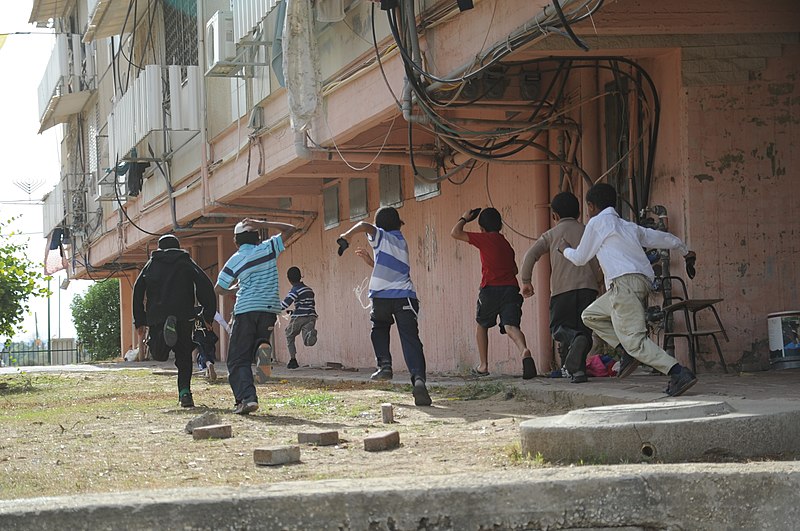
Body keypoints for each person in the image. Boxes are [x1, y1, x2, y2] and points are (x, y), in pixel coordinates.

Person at [559, 183, 698, 397]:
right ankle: (625, 351)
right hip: (636, 283)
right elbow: (659, 237)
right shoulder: (627, 226)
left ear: (591, 205)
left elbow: (580, 258)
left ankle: (678, 372)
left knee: (637, 342)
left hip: (623, 285)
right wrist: (684, 250)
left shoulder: (597, 223)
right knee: (591, 315)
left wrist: (565, 249)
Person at [339, 206, 432, 407]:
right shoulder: (401, 241)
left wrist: (346, 236)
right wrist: (371, 262)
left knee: (379, 327)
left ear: (380, 225)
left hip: (381, 297)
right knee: (411, 339)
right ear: (399, 224)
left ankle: (385, 365)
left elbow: (365, 226)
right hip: (405, 297)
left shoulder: (380, 236)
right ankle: (418, 380)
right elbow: (391, 268)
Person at [215, 218, 298, 415]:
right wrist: (262, 222)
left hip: (246, 310)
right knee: (254, 347)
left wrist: (235, 288)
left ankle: (247, 399)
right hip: (269, 309)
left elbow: (219, 288)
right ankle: (262, 345)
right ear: (257, 236)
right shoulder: (268, 248)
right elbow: (291, 228)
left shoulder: (236, 258)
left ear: (236, 241)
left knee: (237, 359)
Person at [519, 192, 603, 383]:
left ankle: (575, 341)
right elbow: (600, 260)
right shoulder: (588, 231)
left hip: (562, 291)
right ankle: (578, 371)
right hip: (588, 289)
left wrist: (526, 281)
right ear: (579, 212)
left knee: (559, 328)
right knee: (585, 329)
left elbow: (530, 255)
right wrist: (597, 281)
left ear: (554, 216)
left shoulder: (551, 235)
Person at [450, 207, 535, 380]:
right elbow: (515, 269)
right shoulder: (506, 244)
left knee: (482, 324)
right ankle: (524, 350)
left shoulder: (483, 239)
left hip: (490, 289)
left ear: (482, 228)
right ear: (501, 226)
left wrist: (464, 218)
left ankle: (483, 366)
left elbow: (455, 233)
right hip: (511, 289)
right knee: (511, 326)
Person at [132, 234, 216, 408]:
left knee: (159, 354)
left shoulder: (151, 264)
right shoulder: (185, 262)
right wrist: (207, 314)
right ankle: (184, 393)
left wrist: (139, 320)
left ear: (159, 248)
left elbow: (138, 290)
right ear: (177, 247)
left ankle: (165, 337)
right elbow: (205, 284)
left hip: (158, 316)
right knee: (184, 356)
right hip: (184, 314)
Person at [281, 266, 318, 369]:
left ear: (289, 279)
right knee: (307, 341)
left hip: (299, 317)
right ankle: (310, 333)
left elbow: (286, 303)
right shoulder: (309, 290)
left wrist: (274, 308)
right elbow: (308, 304)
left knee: (289, 334)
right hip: (311, 316)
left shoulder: (295, 290)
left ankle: (293, 360)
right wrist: (292, 312)